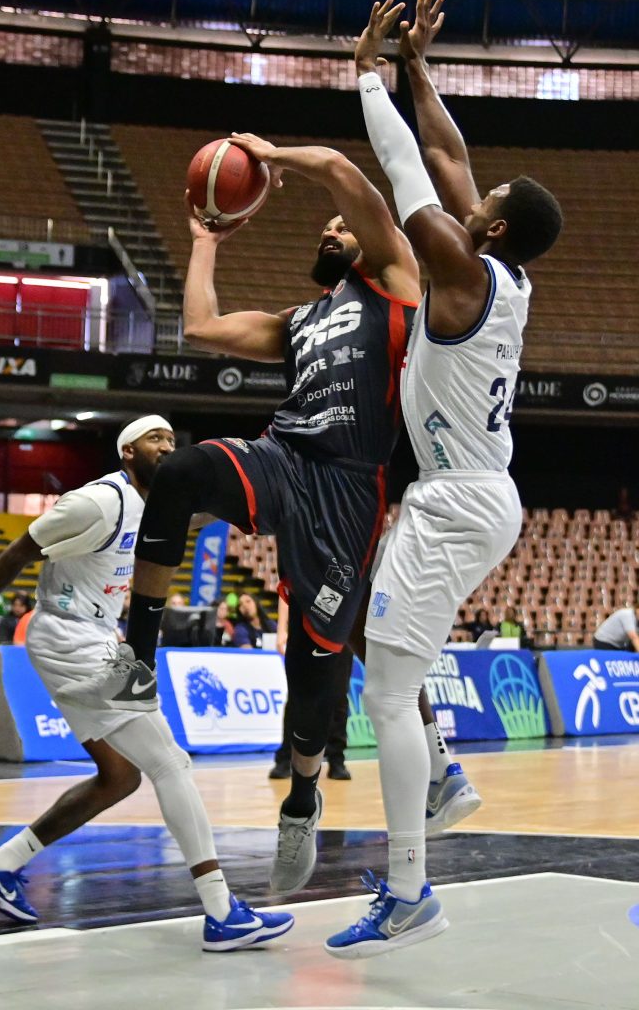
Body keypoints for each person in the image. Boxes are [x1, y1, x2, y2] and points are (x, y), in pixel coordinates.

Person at [64, 138, 423, 898]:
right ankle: (139, 661)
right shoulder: (299, 320)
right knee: (182, 470)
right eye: (326, 225)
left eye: (342, 226)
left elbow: (343, 173)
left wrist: (268, 153)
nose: (329, 229)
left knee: (314, 668)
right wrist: (205, 240)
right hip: (283, 455)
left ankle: (302, 796)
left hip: (347, 488)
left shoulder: (396, 281)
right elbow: (201, 327)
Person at [325, 0, 563, 959]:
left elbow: (409, 176)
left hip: (458, 499)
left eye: (489, 204)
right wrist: (419, 66)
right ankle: (442, 781)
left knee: (385, 694)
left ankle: (411, 890)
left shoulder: (462, 271)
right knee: (389, 669)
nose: (477, 195)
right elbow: (453, 160)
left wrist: (366, 79)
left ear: (492, 231)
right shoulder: (506, 269)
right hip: (478, 492)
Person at [0, 415, 292, 951]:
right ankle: (222, 911)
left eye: (173, 439)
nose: (167, 445)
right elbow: (17, 552)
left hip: (91, 639)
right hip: (74, 639)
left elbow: (200, 515)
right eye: (155, 438)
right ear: (127, 451)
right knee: (171, 763)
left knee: (120, 777)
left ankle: (1, 865)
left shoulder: (156, 504)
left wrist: (262, 489)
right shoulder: (98, 502)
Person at [270, 595, 353, 781]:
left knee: (338, 696)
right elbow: (286, 587)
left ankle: (336, 758)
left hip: (340, 626)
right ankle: (285, 757)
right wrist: (281, 629)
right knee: (298, 695)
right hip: (305, 621)